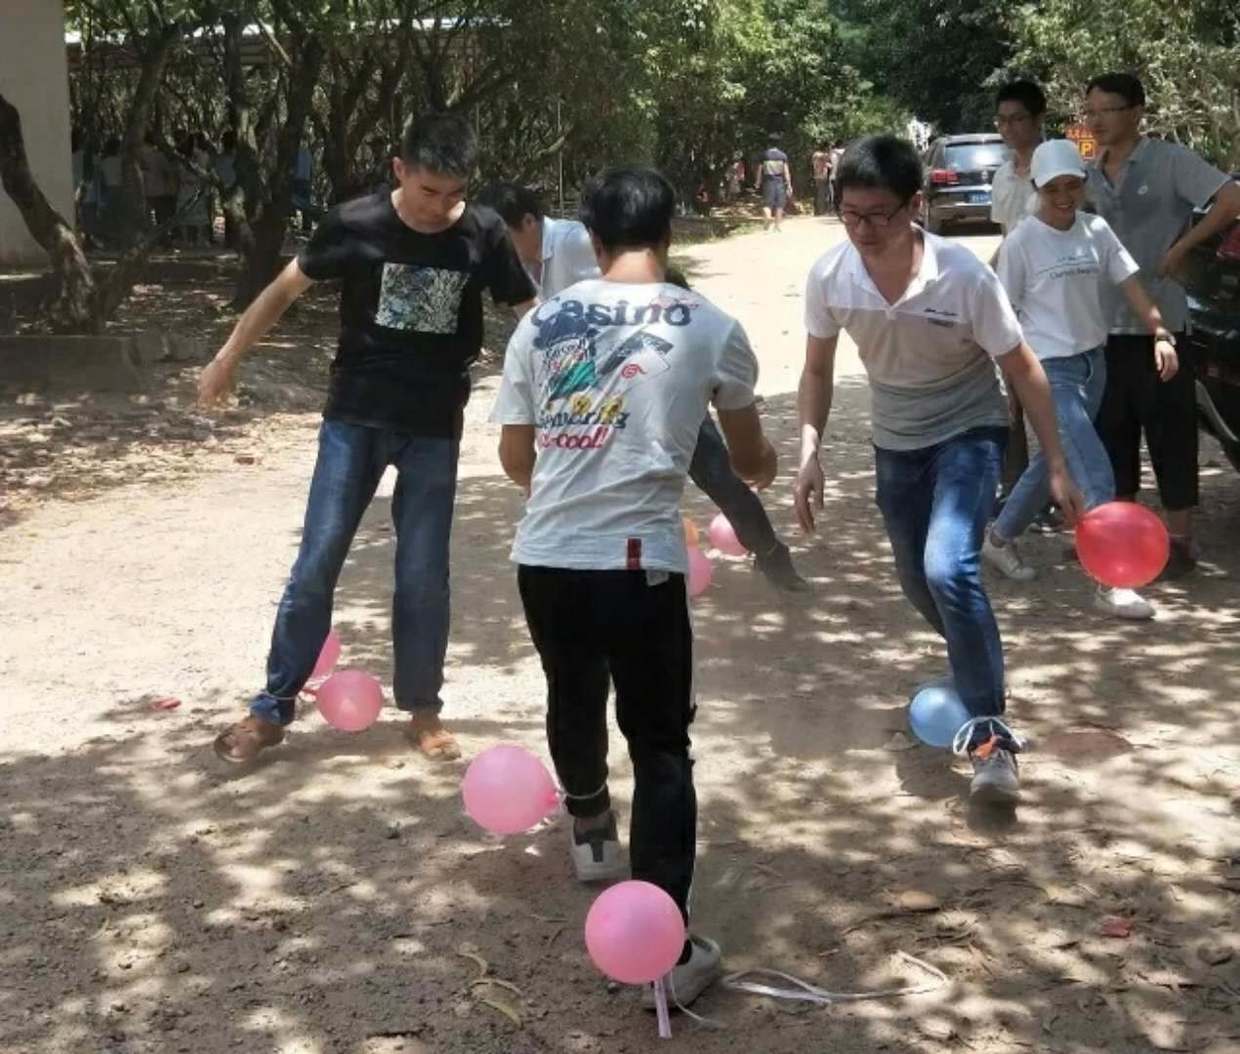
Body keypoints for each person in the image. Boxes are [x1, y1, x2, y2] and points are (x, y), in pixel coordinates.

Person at [491, 166, 778, 1007]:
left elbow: (515, 457)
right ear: (669, 233)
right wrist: (764, 465)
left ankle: (589, 828)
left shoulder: (541, 322)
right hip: (639, 564)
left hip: (547, 557)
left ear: (593, 237)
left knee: (571, 693)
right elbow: (748, 456)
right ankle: (665, 947)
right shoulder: (710, 324)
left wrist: (573, 483)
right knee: (659, 745)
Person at [198, 112, 536, 765]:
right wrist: (227, 358)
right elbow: (283, 290)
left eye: (455, 193)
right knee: (317, 562)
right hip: (354, 419)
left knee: (423, 574)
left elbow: (530, 314)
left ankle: (424, 710)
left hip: (434, 425)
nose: (441, 206)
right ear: (399, 170)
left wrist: (572, 376)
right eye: (428, 190)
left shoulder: (484, 232)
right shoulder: (355, 224)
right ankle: (270, 709)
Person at [794, 135, 1085, 806]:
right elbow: (816, 369)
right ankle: (981, 667)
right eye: (850, 214)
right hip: (896, 440)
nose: (864, 230)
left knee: (947, 567)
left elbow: (1023, 369)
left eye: (880, 215)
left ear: (915, 206)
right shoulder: (831, 275)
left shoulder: (962, 275)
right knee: (916, 580)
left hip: (969, 428)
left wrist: (1056, 463)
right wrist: (810, 450)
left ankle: (991, 741)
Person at [475, 180, 809, 591]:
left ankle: (770, 551)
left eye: (501, 236)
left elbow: (655, 277)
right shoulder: (518, 268)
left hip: (653, 378)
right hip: (588, 391)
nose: (496, 247)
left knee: (716, 472)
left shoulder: (579, 241)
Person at [984, 139, 1179, 620]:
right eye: (1053, 188)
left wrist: (1159, 332)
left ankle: (998, 538)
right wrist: (1010, 381)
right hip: (1049, 370)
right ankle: (1113, 581)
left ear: (1083, 185)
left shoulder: (1096, 230)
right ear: (1037, 188)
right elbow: (1003, 317)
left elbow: (1131, 284)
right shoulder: (1022, 242)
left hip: (1095, 363)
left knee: (1054, 464)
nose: (1064, 196)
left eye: (1072, 186)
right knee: (1095, 471)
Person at [1083, 72, 1240, 578]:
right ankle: (1120, 537)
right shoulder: (1087, 174)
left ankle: (1179, 543)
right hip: (1103, 327)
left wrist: (1183, 247)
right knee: (1112, 432)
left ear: (1135, 112)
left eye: (1106, 110)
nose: (1096, 120)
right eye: (1090, 111)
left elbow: (1232, 199)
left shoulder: (1169, 160)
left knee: (1171, 433)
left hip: (1163, 327)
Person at [990, 81, 1049, 521]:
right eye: (1002, 120)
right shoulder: (1003, 175)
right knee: (1009, 393)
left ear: (1038, 119)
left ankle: (1056, 490)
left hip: (1055, 299)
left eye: (1018, 119)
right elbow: (1006, 236)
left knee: (1051, 396)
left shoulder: (1061, 168)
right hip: (1014, 299)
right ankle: (1017, 491)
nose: (1009, 128)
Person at [755, 134, 793, 232]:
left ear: (769, 143)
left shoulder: (764, 155)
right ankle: (777, 226)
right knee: (779, 205)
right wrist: (789, 184)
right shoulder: (783, 156)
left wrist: (757, 182)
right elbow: (786, 171)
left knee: (767, 204)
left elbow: (759, 170)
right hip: (779, 181)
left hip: (768, 181)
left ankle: (768, 218)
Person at [811, 144, 832, 216]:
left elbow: (829, 165)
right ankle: (821, 211)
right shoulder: (817, 155)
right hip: (820, 177)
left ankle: (820, 210)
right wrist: (830, 152)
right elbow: (823, 157)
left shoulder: (820, 158)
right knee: (821, 195)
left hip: (822, 177)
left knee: (823, 194)